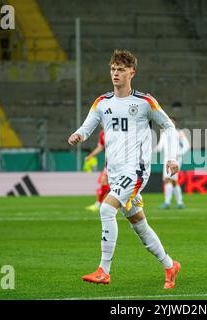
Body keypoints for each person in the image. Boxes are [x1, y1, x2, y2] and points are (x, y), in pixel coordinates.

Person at [67, 49, 181, 289]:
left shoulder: (144, 102)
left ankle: (103, 270)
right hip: (117, 172)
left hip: (136, 170)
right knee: (139, 224)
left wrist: (172, 157)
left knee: (106, 209)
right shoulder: (102, 102)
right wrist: (78, 135)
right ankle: (170, 265)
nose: (115, 73)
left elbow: (168, 126)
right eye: (112, 69)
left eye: (120, 69)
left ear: (132, 72)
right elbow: (87, 127)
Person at [155, 117, 190, 209]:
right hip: (167, 159)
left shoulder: (179, 133)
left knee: (167, 180)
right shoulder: (164, 134)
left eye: (171, 121)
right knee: (173, 181)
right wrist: (152, 149)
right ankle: (180, 203)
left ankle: (167, 203)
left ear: (174, 123)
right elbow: (160, 147)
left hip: (175, 159)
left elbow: (186, 146)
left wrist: (179, 153)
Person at [85, 129, 111, 212]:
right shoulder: (102, 133)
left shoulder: (117, 129)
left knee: (113, 183)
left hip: (119, 161)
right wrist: (90, 156)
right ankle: (99, 204)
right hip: (109, 162)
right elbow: (100, 147)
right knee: (104, 181)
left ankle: (115, 203)